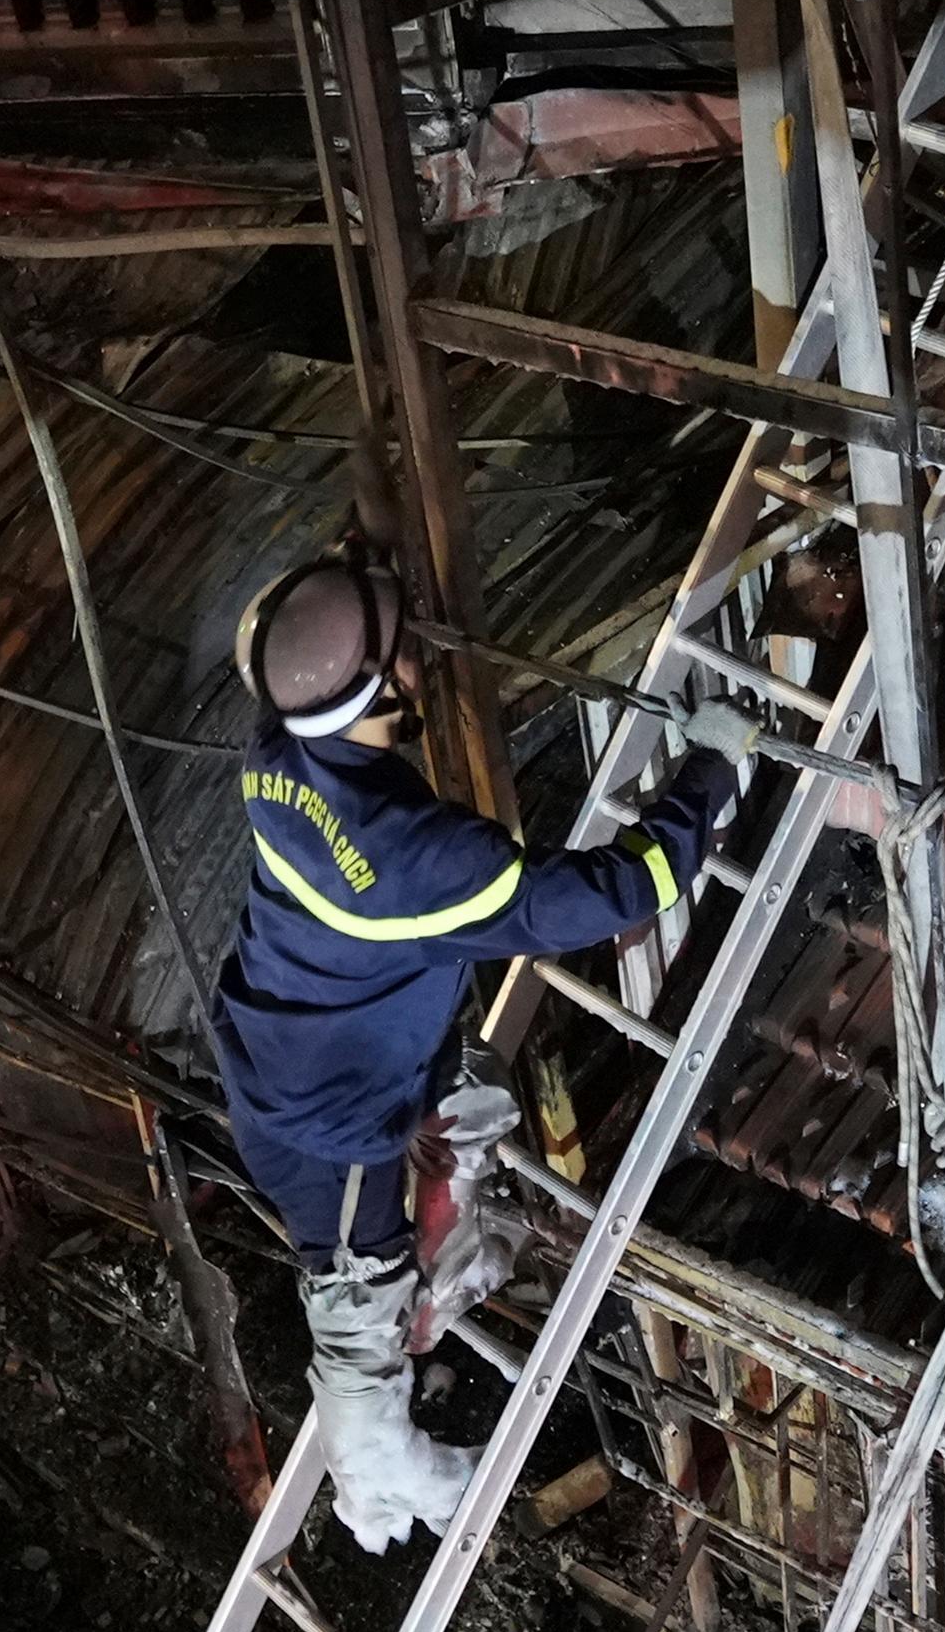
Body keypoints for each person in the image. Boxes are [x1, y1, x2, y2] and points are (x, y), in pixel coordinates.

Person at [212, 546, 759, 1551]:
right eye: (406, 655)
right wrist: (709, 776)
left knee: (473, 1094)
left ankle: (444, 1255)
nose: (422, 659)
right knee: (353, 1291)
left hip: (290, 1046)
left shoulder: (276, 760)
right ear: (378, 689)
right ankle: (381, 1480)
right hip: (328, 1126)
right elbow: (621, 891)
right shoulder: (422, 866)